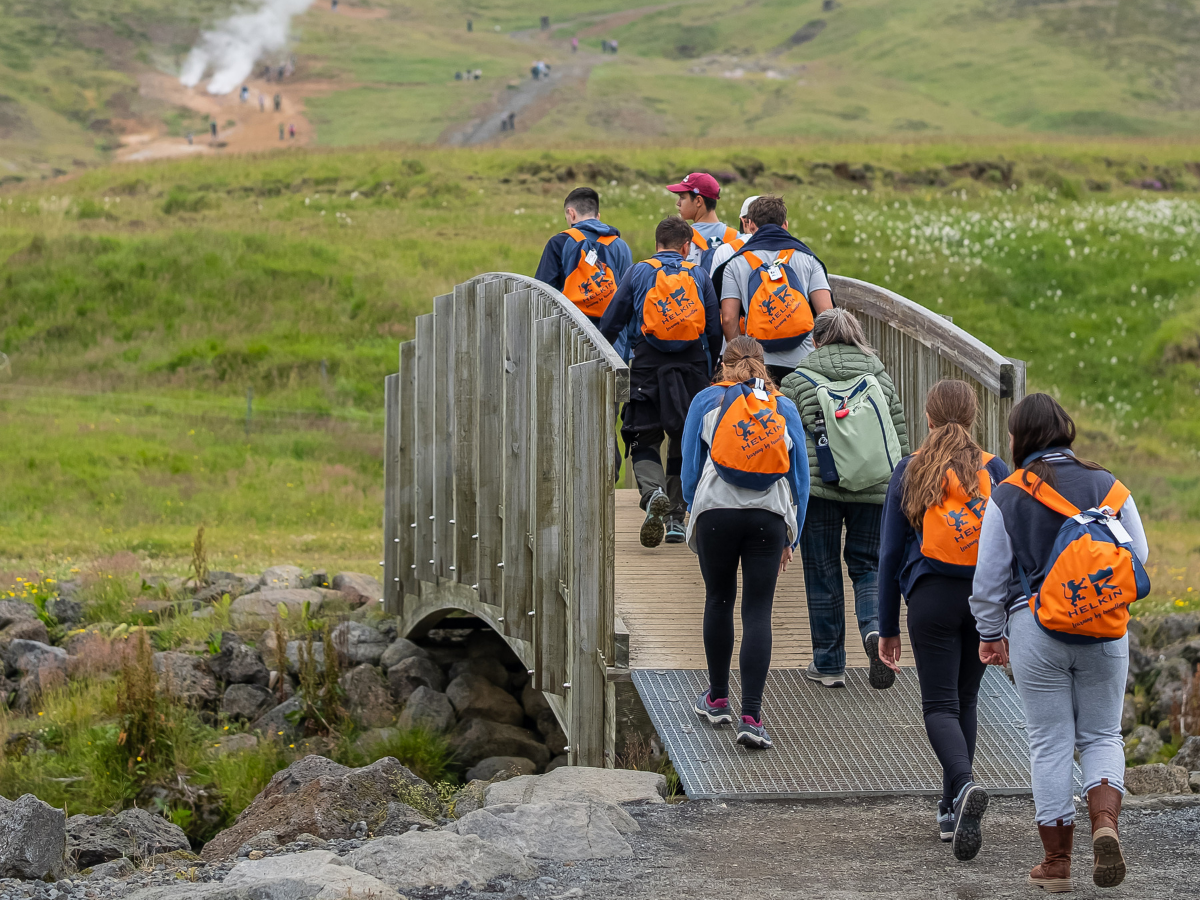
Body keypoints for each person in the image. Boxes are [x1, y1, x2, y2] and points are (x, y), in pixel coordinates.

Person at [971, 393, 1148, 893]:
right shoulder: (1110, 485)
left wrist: (990, 634)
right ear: (1065, 432)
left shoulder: (1007, 493)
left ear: (1019, 437)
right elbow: (1140, 555)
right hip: (1106, 626)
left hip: (1035, 627)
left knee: (1049, 740)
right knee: (1102, 735)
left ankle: (1057, 861)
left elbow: (988, 580)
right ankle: (1105, 824)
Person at [877, 379, 1010, 857]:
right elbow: (1012, 546)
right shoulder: (995, 469)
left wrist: (886, 626)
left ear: (928, 418)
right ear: (973, 418)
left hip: (930, 598)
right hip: (983, 599)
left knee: (938, 705)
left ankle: (961, 787)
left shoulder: (910, 469)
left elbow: (890, 554)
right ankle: (953, 803)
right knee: (966, 698)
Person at [682, 336, 809, 750]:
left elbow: (689, 470)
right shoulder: (782, 406)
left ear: (723, 364)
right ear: (764, 364)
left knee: (718, 599)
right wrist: (794, 533)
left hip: (716, 512)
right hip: (768, 517)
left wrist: (694, 511)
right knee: (758, 611)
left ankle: (717, 698)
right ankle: (751, 717)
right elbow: (800, 481)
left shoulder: (705, 401)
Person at [780, 309, 908, 687]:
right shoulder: (879, 377)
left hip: (820, 488)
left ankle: (829, 663)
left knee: (821, 568)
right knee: (867, 564)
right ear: (856, 336)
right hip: (874, 485)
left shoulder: (797, 379)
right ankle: (873, 632)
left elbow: (787, 444)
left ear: (816, 340)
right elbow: (897, 435)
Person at [599, 216, 722, 547]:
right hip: (691, 368)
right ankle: (676, 520)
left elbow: (613, 321)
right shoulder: (698, 274)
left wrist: (598, 355)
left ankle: (652, 493)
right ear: (686, 247)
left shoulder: (639, 271)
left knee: (641, 436)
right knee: (685, 438)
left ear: (657, 244)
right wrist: (712, 370)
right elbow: (713, 329)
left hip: (647, 367)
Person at [715, 195, 833, 385]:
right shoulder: (808, 258)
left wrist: (743, 360)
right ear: (785, 225)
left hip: (758, 365)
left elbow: (728, 319)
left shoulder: (735, 263)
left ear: (750, 225)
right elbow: (826, 312)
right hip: (803, 363)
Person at [534, 187, 632, 326]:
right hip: (614, 339)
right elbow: (628, 296)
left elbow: (542, 292)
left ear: (571, 213)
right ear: (598, 216)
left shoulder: (558, 243)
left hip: (572, 333)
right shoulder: (621, 246)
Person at [665, 173, 742, 270]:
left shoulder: (681, 239)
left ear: (698, 201)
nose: (678, 203)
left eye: (682, 197)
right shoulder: (737, 239)